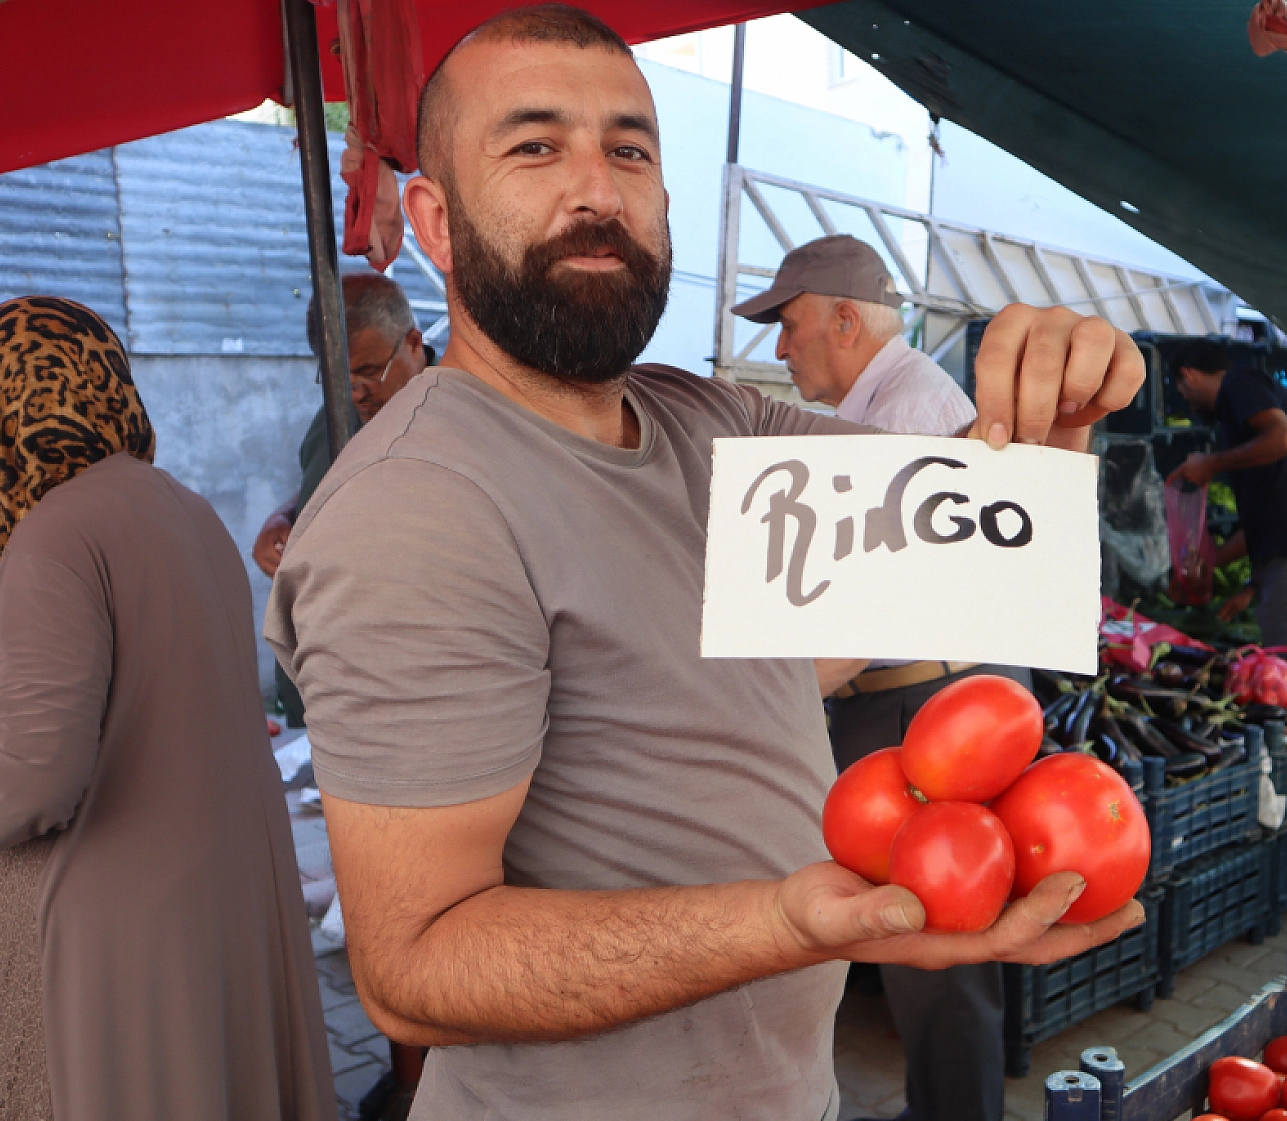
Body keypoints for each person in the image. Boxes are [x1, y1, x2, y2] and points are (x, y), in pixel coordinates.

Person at [263, 7, 1146, 1120]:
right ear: (434, 223)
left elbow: (973, 538)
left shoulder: (709, 424)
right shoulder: (417, 508)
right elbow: (415, 968)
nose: (597, 188)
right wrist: (782, 920)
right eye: (534, 147)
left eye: (628, 149)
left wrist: (1057, 403)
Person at [0, 296, 336, 1120]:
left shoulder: (52, 537)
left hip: (123, 938)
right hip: (219, 906)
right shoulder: (182, 506)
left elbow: (26, 783)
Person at [734, 233, 1011, 1121]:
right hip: (896, 700)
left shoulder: (909, 412)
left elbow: (889, 602)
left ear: (845, 320)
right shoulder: (878, 404)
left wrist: (774, 694)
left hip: (917, 705)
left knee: (939, 953)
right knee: (913, 939)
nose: (781, 346)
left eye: (789, 324)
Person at [252, 272, 431, 727]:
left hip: (393, 681)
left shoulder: (452, 414)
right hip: (318, 669)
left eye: (370, 373)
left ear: (413, 343)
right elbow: (324, 478)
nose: (354, 392)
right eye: (336, 376)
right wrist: (284, 514)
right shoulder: (337, 412)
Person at [1166, 341, 1287, 706]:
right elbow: (1263, 522)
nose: (1185, 400)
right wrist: (1216, 567)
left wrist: (1210, 464)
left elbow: (1286, 440)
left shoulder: (1239, 383)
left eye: (1181, 390)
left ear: (1188, 375)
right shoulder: (1242, 410)